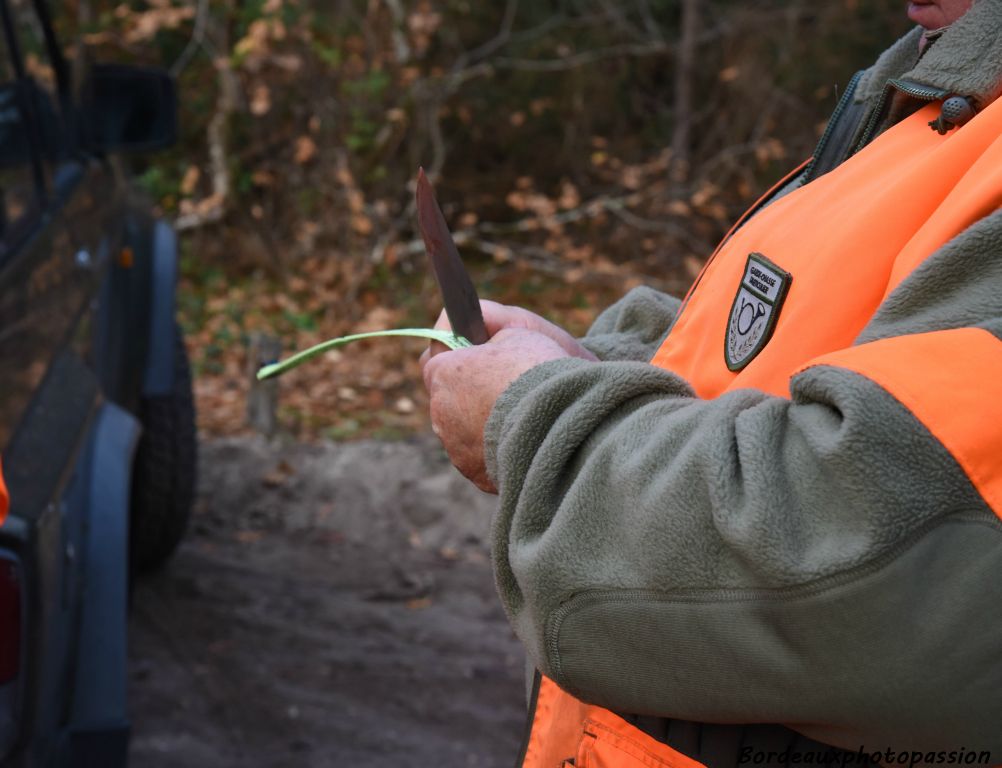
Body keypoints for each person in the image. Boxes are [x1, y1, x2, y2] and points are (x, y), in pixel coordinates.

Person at [422, 0, 1002, 765]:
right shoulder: (937, 104)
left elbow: (858, 563)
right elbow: (787, 353)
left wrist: (546, 417)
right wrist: (592, 371)